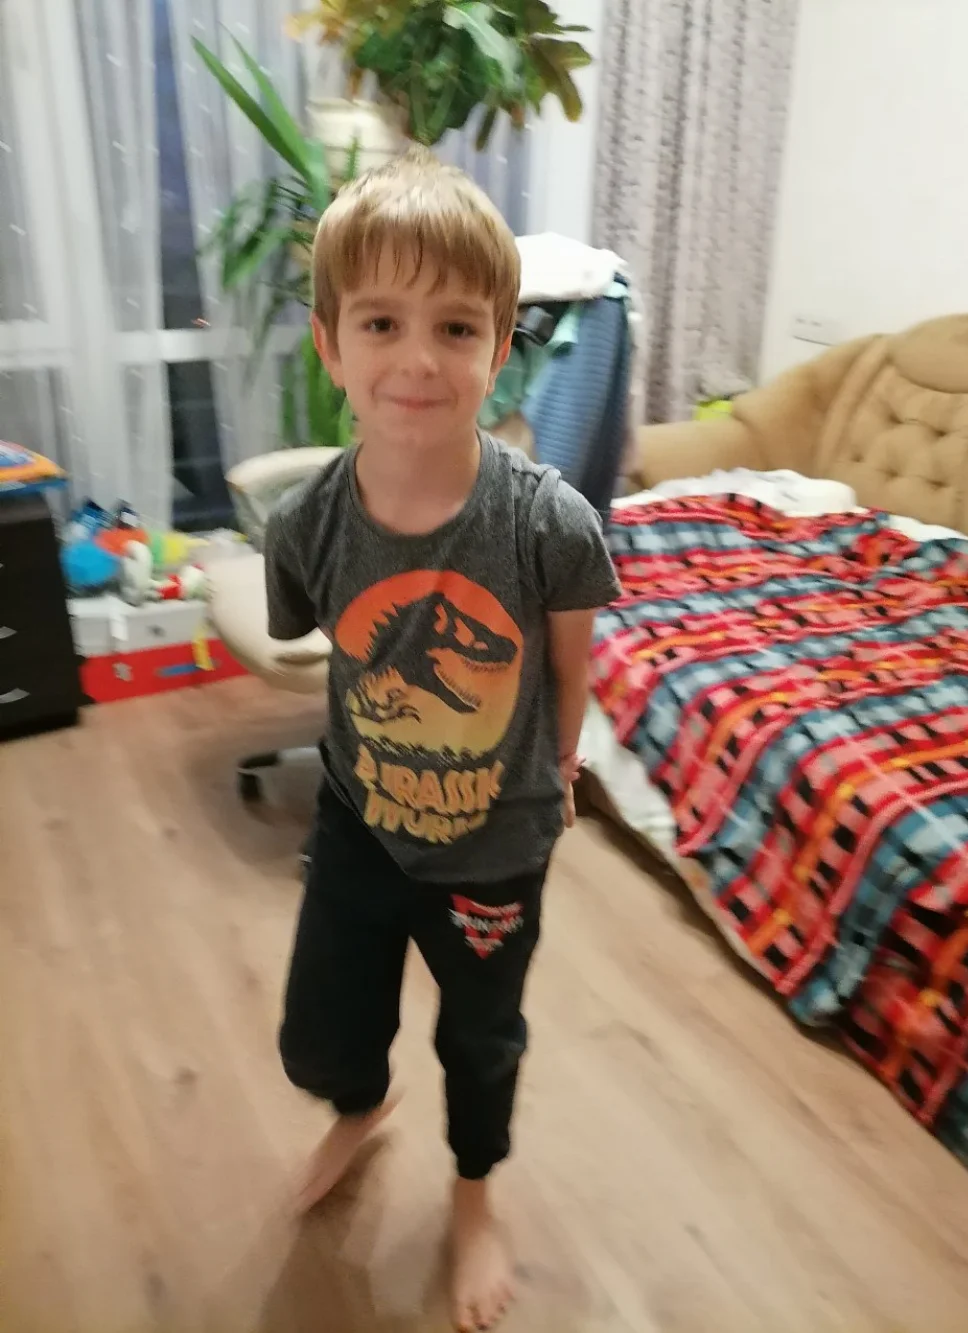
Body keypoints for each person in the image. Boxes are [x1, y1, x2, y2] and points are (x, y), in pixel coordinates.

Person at [264, 147, 621, 1332]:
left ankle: (474, 1194)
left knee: (482, 1037)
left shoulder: (549, 525)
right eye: (381, 322)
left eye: (456, 327)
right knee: (324, 1024)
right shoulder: (307, 524)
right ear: (331, 345)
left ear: (500, 344)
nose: (418, 358)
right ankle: (357, 1106)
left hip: (495, 848)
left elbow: (566, 668)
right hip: (360, 823)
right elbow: (343, 656)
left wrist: (558, 775)